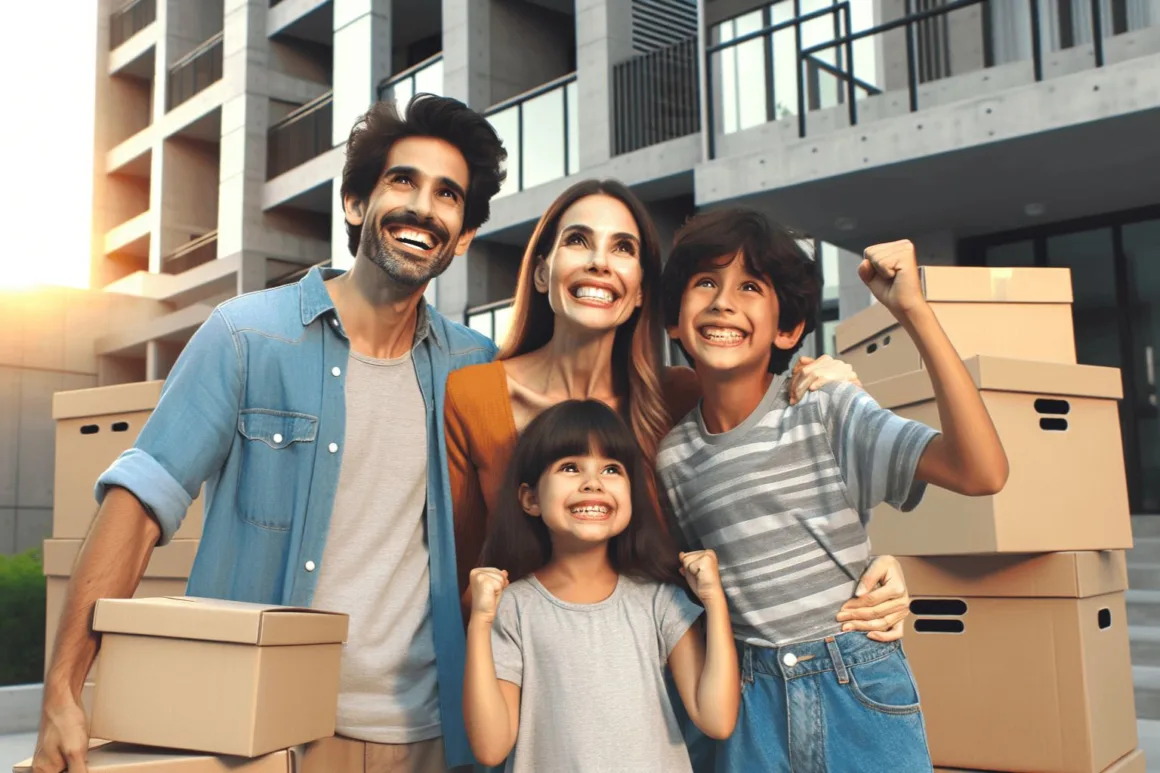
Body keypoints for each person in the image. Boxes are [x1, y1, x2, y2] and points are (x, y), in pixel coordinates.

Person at [32, 94, 506, 773]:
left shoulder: (474, 365)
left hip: (433, 733)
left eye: (448, 195)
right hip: (269, 732)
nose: (423, 207)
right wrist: (61, 690)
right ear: (354, 203)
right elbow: (138, 504)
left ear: (460, 237)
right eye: (403, 180)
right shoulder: (246, 336)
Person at [443, 179, 912, 643]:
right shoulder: (473, 396)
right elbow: (460, 574)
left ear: (644, 290)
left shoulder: (683, 397)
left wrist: (874, 564)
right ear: (542, 272)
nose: (599, 262)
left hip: (670, 681)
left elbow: (773, 502)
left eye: (622, 248)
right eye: (578, 240)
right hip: (526, 680)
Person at [656, 209, 1009, 772]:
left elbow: (981, 472)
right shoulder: (672, 459)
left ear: (788, 329)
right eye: (705, 282)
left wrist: (912, 312)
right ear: (674, 319)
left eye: (750, 286)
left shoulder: (825, 407)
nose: (723, 301)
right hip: (749, 703)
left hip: (856, 684)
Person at [463, 400, 739, 773]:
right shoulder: (512, 607)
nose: (592, 482)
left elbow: (717, 719)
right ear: (530, 499)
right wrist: (480, 621)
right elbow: (490, 748)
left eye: (611, 468)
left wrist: (714, 600)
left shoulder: (658, 600)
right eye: (570, 467)